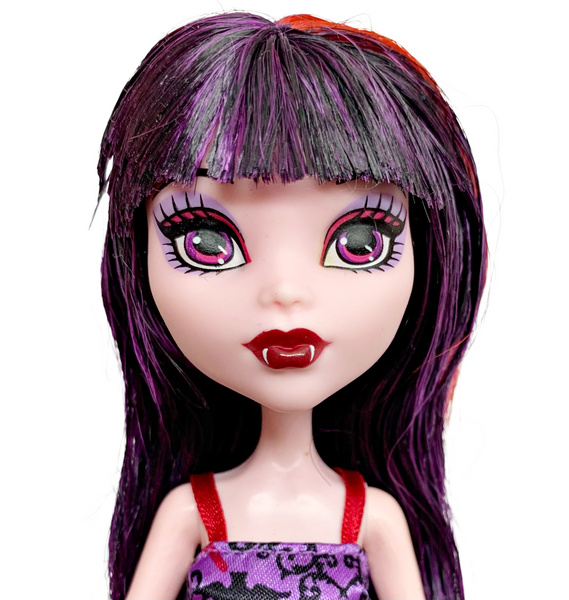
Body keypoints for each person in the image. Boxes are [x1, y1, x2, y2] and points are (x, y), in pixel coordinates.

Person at [98, 12, 487, 600]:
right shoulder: (194, 513)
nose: (284, 291)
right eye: (206, 242)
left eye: (361, 241)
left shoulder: (370, 518)